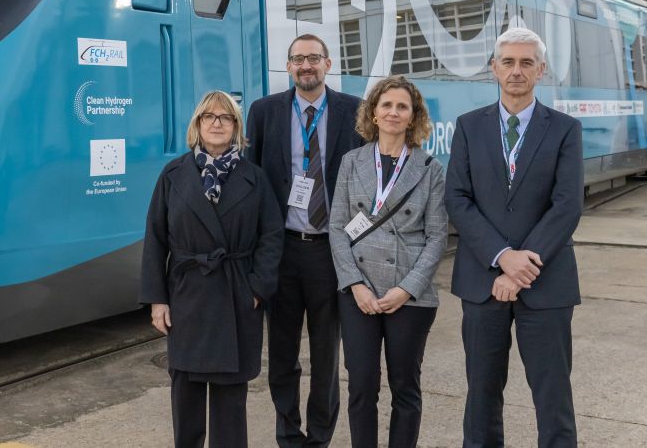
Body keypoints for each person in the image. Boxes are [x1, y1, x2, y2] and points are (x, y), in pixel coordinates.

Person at [446, 27, 583, 448]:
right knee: (482, 396)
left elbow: (566, 206)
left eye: (527, 63)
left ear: (540, 70)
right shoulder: (469, 127)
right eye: (508, 62)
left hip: (546, 282)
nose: (517, 71)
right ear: (494, 69)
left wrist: (523, 266)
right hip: (483, 282)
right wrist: (503, 256)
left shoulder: (564, 129)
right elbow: (458, 198)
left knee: (552, 397)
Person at [140, 90, 284, 448]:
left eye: (226, 117)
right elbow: (156, 238)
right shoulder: (173, 174)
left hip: (236, 293)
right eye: (210, 117)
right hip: (187, 294)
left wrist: (257, 288)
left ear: (236, 126)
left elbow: (272, 235)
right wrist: (158, 299)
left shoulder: (254, 177)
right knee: (186, 393)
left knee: (230, 397)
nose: (217, 123)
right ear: (198, 125)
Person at [245, 34, 362, 447]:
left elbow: (368, 183)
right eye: (298, 59)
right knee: (281, 351)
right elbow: (252, 182)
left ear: (328, 63)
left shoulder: (355, 111)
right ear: (289, 66)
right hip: (283, 250)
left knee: (327, 354)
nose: (306, 66)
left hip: (332, 250)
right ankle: (287, 433)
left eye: (314, 58)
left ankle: (320, 437)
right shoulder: (264, 112)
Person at [328, 75, 448, 448]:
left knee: (405, 388)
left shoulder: (430, 168)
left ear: (413, 117)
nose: (394, 112)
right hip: (359, 292)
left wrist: (407, 289)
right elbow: (337, 228)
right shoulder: (352, 162)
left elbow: (437, 236)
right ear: (374, 114)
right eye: (387, 105)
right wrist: (355, 284)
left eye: (402, 107)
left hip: (408, 294)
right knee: (361, 385)